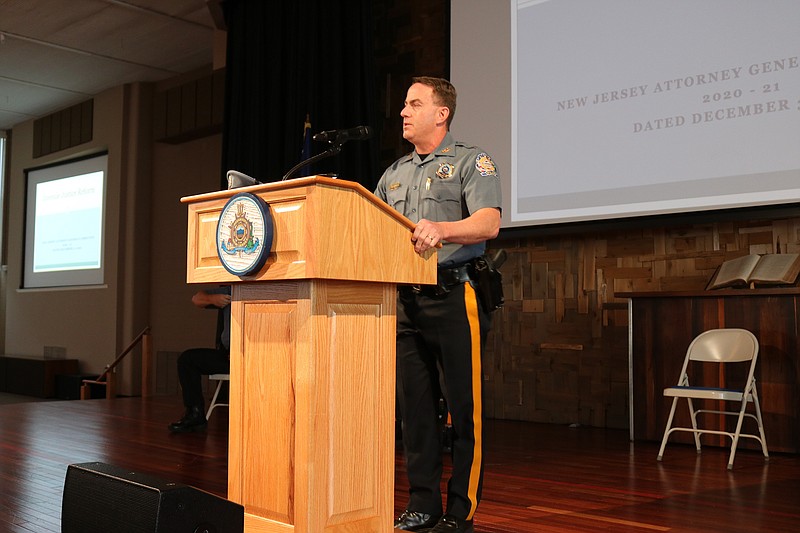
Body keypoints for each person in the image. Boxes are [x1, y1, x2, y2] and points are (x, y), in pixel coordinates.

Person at [374, 77, 502, 533]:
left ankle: (459, 512)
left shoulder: (472, 161)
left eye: (414, 103)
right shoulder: (392, 174)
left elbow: (488, 223)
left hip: (454, 295)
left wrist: (442, 230)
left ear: (441, 112)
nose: (404, 112)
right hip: (406, 303)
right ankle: (422, 504)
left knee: (465, 411)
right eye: (404, 104)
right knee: (417, 413)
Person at [168, 286, 232, 433]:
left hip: (255, 355)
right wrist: (213, 299)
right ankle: (195, 414)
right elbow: (196, 298)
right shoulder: (229, 290)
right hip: (228, 355)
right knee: (187, 360)